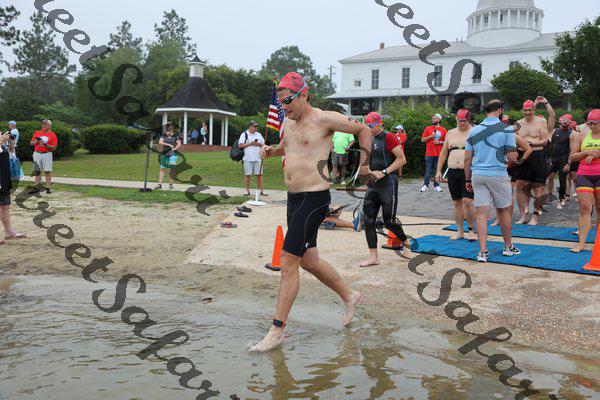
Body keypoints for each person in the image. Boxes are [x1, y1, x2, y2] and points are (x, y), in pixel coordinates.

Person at [252, 71, 371, 352]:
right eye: (281, 102)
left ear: (304, 95)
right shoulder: (287, 122)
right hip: (293, 199)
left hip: (314, 198)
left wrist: (364, 165)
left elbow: (364, 129)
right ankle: (349, 295)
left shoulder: (324, 119)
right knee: (309, 260)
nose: (284, 107)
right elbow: (287, 147)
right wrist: (272, 151)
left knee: (287, 261)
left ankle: (277, 330)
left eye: (288, 101)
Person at [464, 100, 521, 263]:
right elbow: (512, 157)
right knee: (503, 210)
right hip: (497, 173)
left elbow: (467, 159)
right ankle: (508, 247)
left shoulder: (474, 130)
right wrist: (516, 155)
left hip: (478, 174)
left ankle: (482, 251)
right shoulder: (506, 128)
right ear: (500, 110)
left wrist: (467, 179)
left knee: (481, 212)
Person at [360, 111, 410, 267]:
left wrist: (384, 172)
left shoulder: (389, 137)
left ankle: (406, 242)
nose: (369, 128)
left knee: (388, 221)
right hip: (373, 184)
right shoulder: (368, 138)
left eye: (371, 126)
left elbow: (402, 159)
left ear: (380, 124)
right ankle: (373, 257)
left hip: (388, 183)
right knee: (368, 220)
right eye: (367, 125)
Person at [435, 109, 476, 242]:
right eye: (459, 121)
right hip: (453, 171)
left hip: (468, 171)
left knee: (468, 201)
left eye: (464, 121)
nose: (462, 123)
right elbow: (443, 152)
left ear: (469, 120)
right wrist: (438, 171)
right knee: (457, 202)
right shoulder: (450, 133)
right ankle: (460, 231)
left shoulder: (475, 132)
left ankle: (471, 230)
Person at [515, 97, 555, 225]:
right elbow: (513, 140)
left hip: (537, 154)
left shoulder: (541, 121)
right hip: (522, 155)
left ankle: (535, 217)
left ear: (534, 110)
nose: (528, 112)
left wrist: (531, 142)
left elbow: (545, 141)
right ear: (522, 111)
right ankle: (522, 216)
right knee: (519, 186)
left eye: (530, 110)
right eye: (525, 110)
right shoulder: (518, 123)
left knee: (538, 187)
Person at [568, 109, 600, 253]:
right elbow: (573, 156)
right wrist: (586, 152)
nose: (592, 126)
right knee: (584, 208)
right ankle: (581, 243)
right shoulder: (581, 135)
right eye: (589, 123)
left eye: (595, 123)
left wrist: (596, 154)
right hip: (584, 174)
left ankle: (598, 242)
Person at [0, 131, 26, 245]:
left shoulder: (2, 146)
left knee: (5, 205)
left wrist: (11, 143)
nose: (3, 134)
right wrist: (1, 140)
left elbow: (12, 154)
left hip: (4, 180)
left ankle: (9, 232)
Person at [547, 114, 574, 209]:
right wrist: (549, 158)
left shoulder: (571, 134)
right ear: (560, 122)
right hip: (553, 159)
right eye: (563, 121)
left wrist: (568, 163)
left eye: (567, 122)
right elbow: (551, 145)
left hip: (563, 160)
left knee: (562, 180)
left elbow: (572, 150)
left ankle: (561, 200)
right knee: (543, 176)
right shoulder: (555, 131)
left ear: (570, 123)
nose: (565, 123)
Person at [238, 121, 267, 196]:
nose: (256, 128)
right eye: (254, 126)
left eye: (256, 126)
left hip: (258, 157)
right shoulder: (244, 134)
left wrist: (258, 144)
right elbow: (240, 145)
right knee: (247, 174)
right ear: (250, 126)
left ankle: (262, 191)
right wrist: (250, 143)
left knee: (259, 175)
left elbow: (264, 145)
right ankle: (247, 190)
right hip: (247, 158)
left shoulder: (258, 134)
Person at [30, 120, 58, 194]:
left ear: (50, 126)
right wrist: (35, 142)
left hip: (47, 154)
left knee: (47, 171)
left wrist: (45, 144)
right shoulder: (37, 132)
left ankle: (48, 188)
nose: (43, 126)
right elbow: (31, 143)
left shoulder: (53, 135)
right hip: (37, 153)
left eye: (45, 124)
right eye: (42, 124)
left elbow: (54, 147)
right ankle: (36, 187)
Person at [420, 114, 446, 192]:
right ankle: (425, 185)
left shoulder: (443, 130)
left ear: (439, 120)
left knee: (437, 171)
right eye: (432, 118)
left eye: (434, 118)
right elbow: (422, 139)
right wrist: (431, 136)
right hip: (429, 153)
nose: (433, 119)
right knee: (428, 170)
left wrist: (439, 142)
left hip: (439, 154)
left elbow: (446, 142)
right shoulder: (428, 128)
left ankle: (436, 186)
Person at [155, 123, 182, 190]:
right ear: (168, 130)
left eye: (172, 131)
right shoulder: (164, 135)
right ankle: (159, 184)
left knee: (172, 168)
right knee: (162, 168)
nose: (171, 133)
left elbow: (179, 144)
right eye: (170, 131)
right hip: (164, 153)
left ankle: (171, 184)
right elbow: (160, 142)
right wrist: (169, 145)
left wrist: (175, 148)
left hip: (173, 153)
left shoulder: (176, 135)